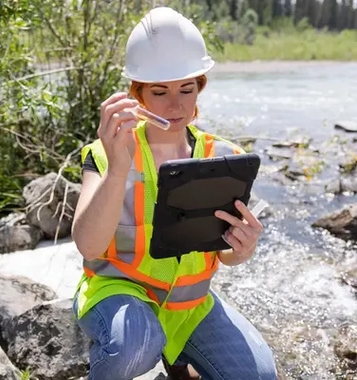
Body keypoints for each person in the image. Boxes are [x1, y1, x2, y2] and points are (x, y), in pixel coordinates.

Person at [71, 6, 278, 380]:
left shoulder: (224, 156)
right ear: (137, 93)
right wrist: (118, 166)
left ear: (200, 86)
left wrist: (242, 248)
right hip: (118, 294)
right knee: (133, 345)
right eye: (159, 91)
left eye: (187, 88)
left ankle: (177, 357)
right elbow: (88, 246)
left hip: (190, 305)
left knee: (260, 376)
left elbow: (225, 253)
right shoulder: (104, 152)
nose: (176, 104)